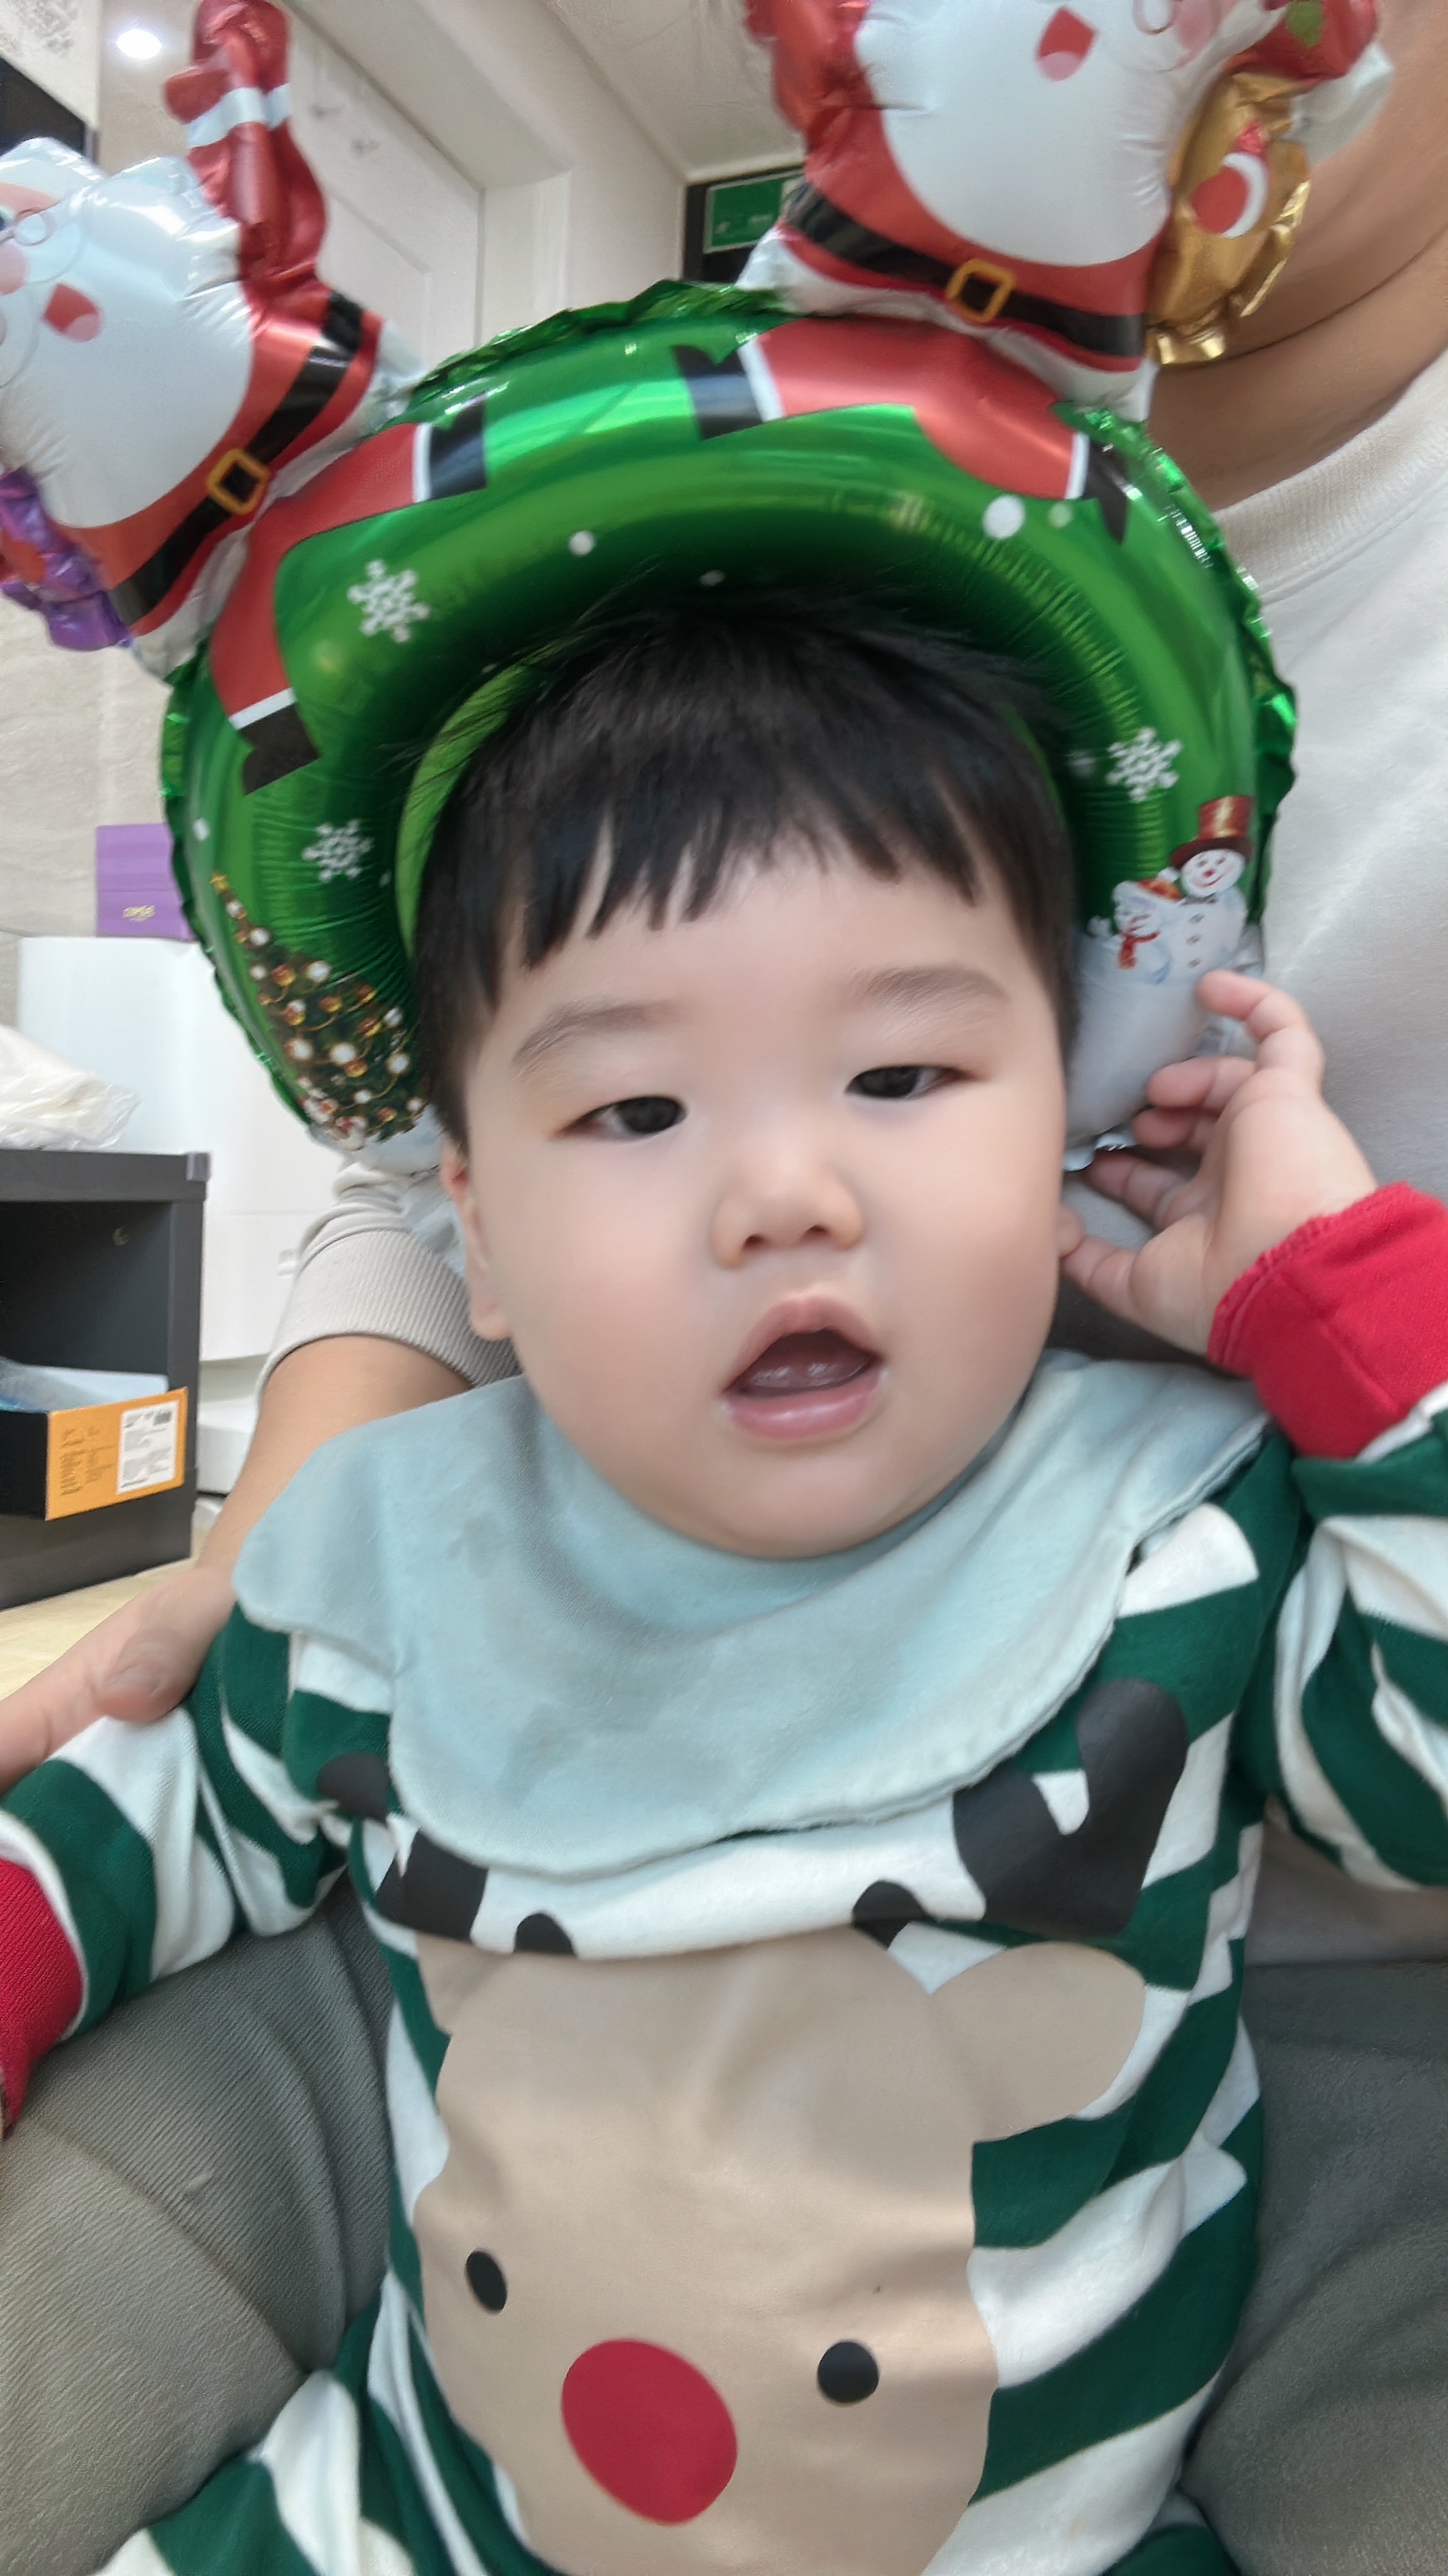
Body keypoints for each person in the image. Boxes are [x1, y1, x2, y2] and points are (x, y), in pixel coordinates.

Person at [2, 598, 1445, 2576]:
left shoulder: (1160, 1535)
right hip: (429, 2512)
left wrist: (1333, 1297)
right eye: (636, 1110)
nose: (784, 1193)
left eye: (903, 1072)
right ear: (478, 1235)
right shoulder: (397, 1559)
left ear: (1071, 1126)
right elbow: (153, 1815)